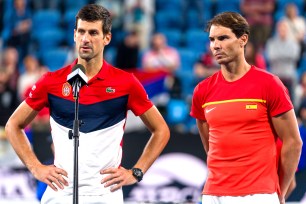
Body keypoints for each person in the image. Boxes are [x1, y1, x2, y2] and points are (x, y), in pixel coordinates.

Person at [5, 4, 170, 204]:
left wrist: (136, 172)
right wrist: (35, 167)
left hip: (104, 194)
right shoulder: (51, 81)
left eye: (93, 33)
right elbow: (13, 125)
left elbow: (161, 129)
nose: (85, 38)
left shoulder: (125, 83)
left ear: (107, 38)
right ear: (74, 35)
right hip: (59, 193)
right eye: (81, 31)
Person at [190, 12, 302, 204]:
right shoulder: (202, 91)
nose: (215, 45)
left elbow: (293, 143)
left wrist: (279, 193)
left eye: (223, 38)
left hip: (259, 194)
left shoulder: (269, 84)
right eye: (212, 39)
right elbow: (210, 146)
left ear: (243, 40)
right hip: (213, 194)